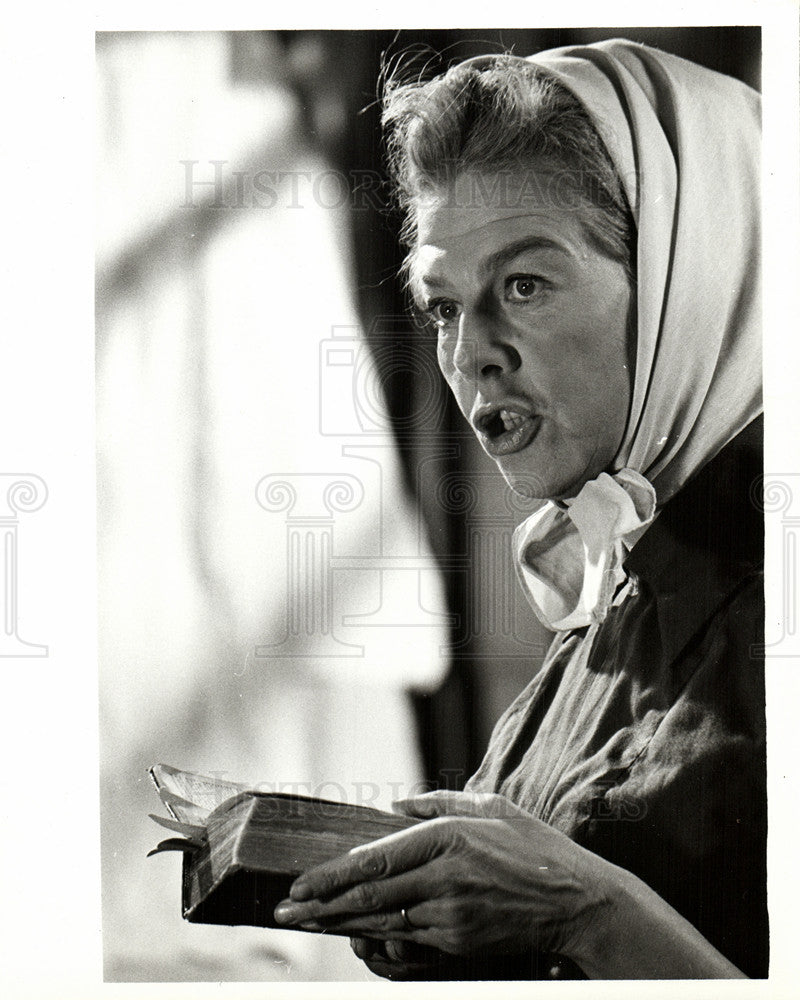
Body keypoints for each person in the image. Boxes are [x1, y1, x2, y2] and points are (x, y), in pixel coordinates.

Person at [272, 39, 766, 979]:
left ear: (688, 275)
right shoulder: (615, 595)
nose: (473, 359)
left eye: (525, 285)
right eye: (446, 307)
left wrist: (583, 911)